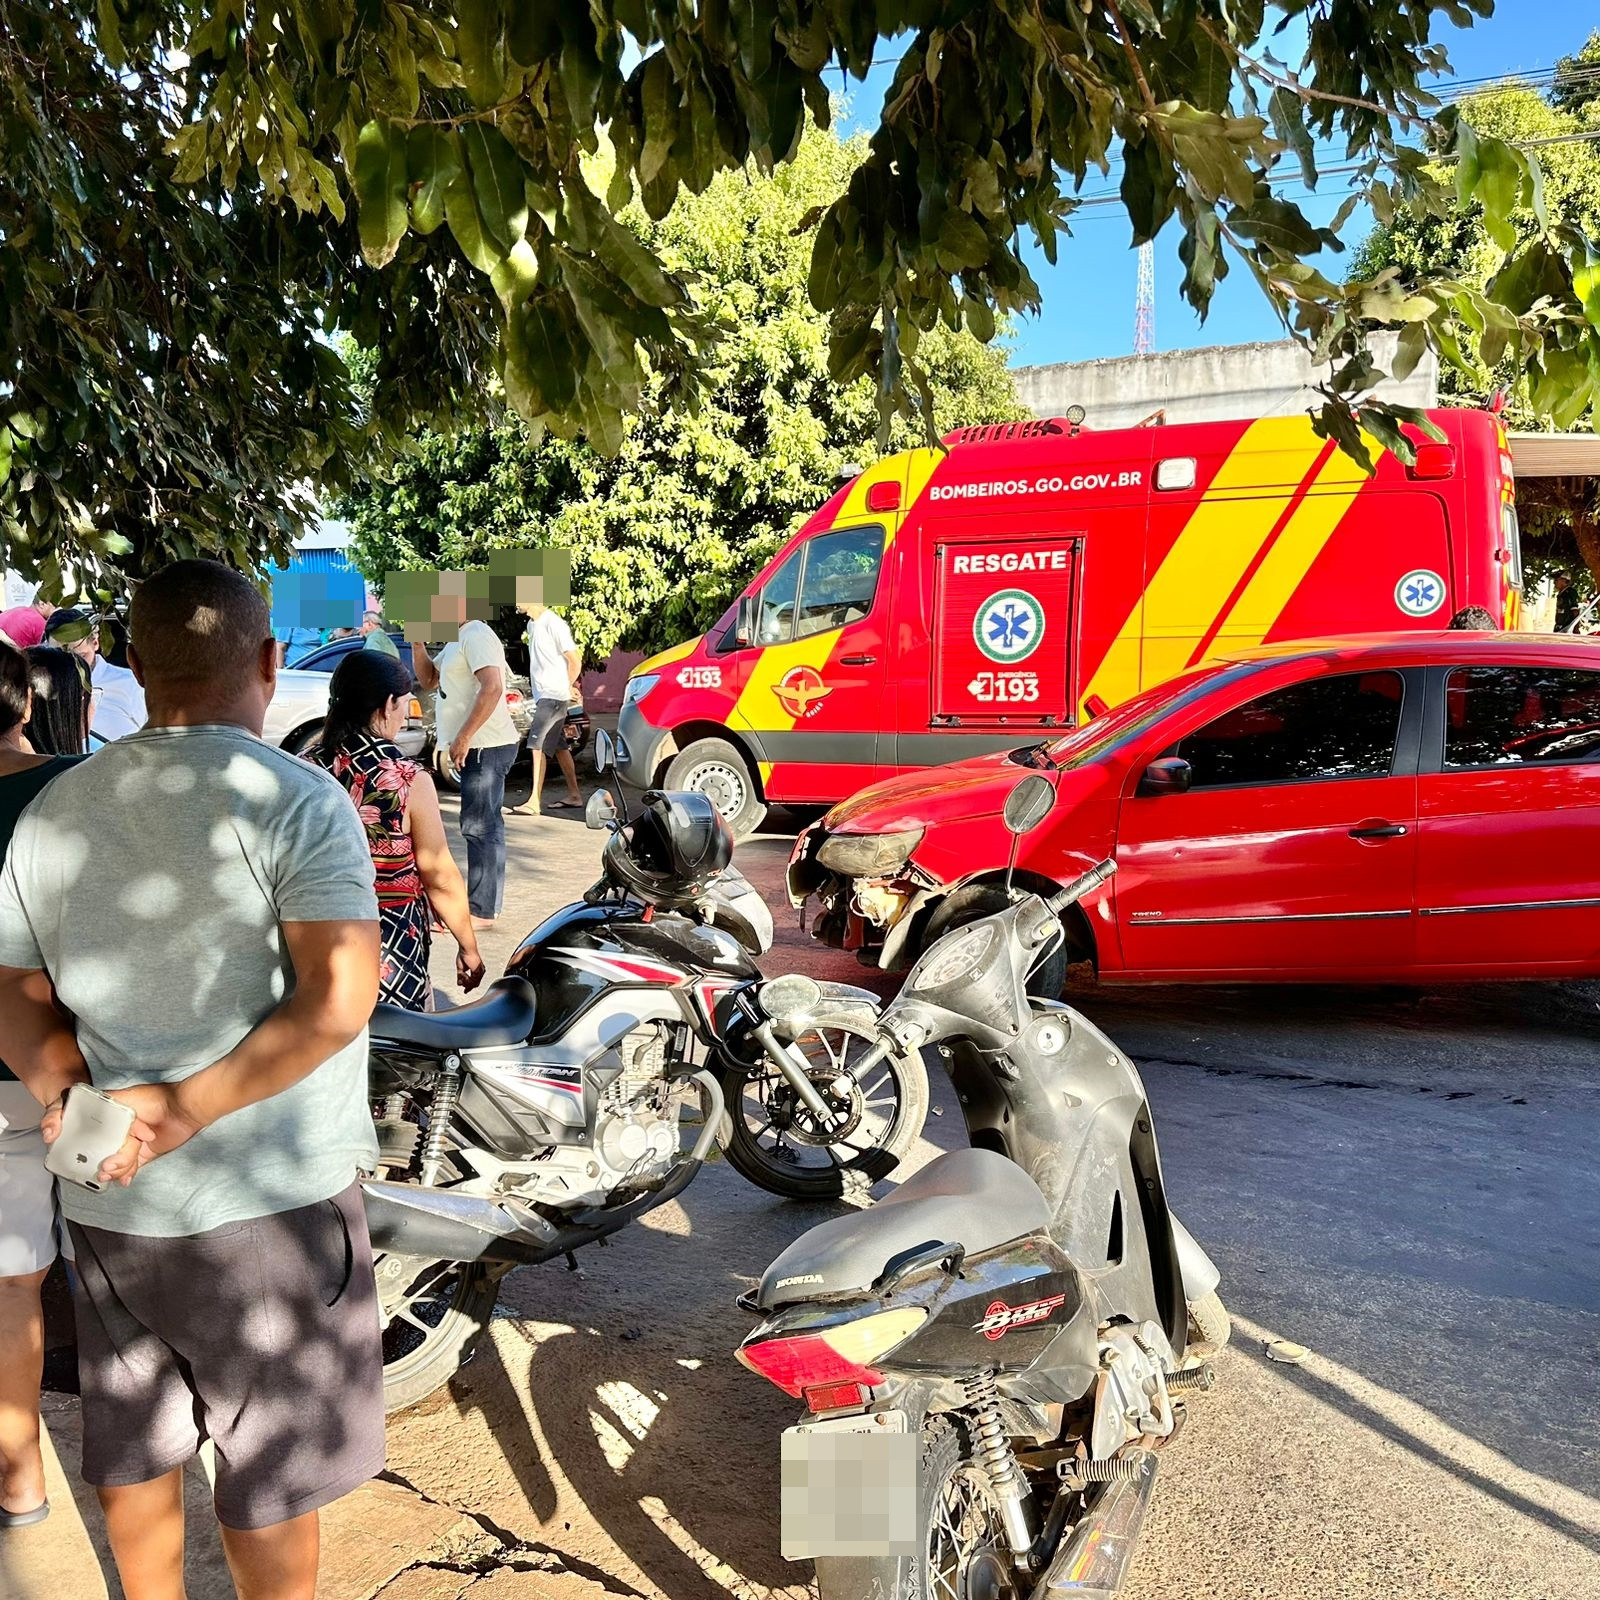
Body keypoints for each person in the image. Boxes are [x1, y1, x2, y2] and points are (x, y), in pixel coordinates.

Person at [0, 560, 385, 1598]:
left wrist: (68, 1095)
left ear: (132, 662)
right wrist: (179, 1111)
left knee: (137, 1440)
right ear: (268, 660)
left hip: (111, 1199)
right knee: (272, 1467)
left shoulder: (56, 808)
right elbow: (340, 995)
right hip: (271, 1202)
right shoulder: (297, 798)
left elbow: (12, 987)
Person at [0, 641, 84, 1529]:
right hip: (66, 1067)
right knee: (27, 1285)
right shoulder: (70, 788)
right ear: (26, 702)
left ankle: (21, 1487)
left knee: (11, 1285)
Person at [310, 651, 486, 1009]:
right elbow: (438, 875)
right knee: (397, 1038)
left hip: (313, 940)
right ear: (388, 703)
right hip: (388, 948)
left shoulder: (305, 767)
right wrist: (468, 947)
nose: (405, 714)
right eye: (405, 703)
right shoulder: (406, 778)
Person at [411, 611, 520, 927]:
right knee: (480, 826)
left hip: (487, 746)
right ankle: (481, 906)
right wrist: (417, 643)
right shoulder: (456, 637)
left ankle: (482, 911)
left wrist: (464, 736)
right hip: (479, 745)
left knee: (481, 827)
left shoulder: (476, 634)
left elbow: (492, 687)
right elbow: (430, 680)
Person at [42, 606, 146, 741]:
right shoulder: (41, 689)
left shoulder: (130, 684)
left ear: (95, 643)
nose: (72, 667)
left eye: (81, 657)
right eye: (60, 658)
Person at [520, 601, 583, 813]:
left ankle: (534, 801)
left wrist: (566, 686)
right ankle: (574, 795)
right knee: (559, 746)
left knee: (536, 745)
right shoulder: (532, 625)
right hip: (545, 695)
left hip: (553, 696)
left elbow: (575, 660)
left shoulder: (554, 623)